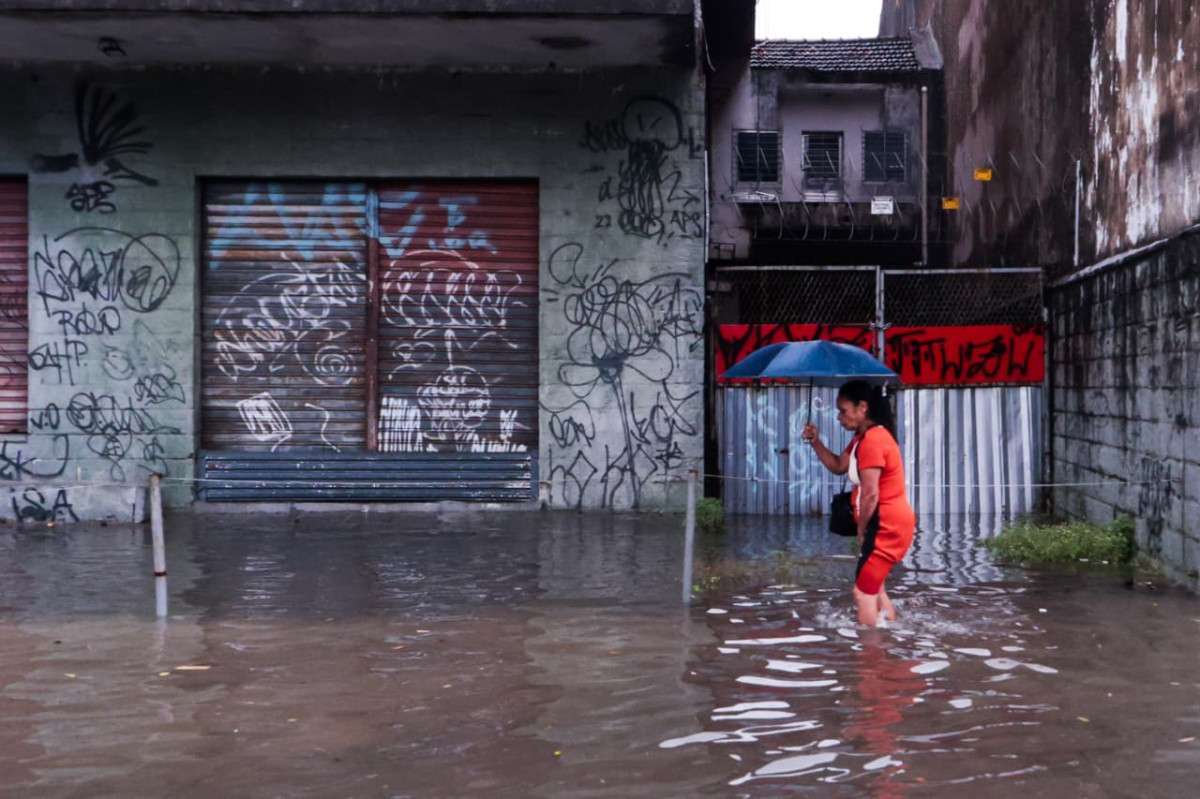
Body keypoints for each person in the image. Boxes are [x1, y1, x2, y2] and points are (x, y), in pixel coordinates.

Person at [801, 381, 916, 626]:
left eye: (843, 410)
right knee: (876, 588)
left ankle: (869, 655)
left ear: (862, 407)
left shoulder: (874, 440)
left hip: (885, 525)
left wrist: (862, 530)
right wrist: (815, 442)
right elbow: (838, 466)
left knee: (863, 592)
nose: (839, 417)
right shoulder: (861, 438)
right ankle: (890, 636)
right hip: (887, 522)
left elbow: (871, 494)